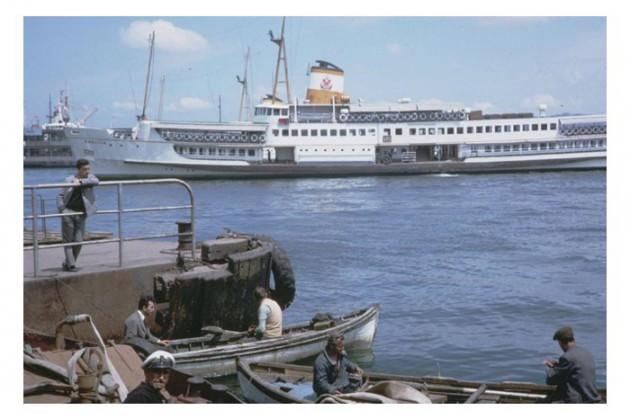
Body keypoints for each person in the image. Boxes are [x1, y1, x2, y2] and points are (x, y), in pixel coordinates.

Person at [56, 159, 99, 271]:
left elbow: (96, 181)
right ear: (78, 169)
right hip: (68, 211)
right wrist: (61, 209)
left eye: (88, 169)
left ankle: (67, 263)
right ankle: (71, 265)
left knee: (79, 241)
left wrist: (80, 182)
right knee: (68, 240)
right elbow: (60, 195)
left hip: (81, 213)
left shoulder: (90, 178)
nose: (87, 171)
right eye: (85, 169)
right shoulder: (68, 179)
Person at [543, 326, 602, 403]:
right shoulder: (587, 353)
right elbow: (574, 370)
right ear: (573, 339)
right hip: (591, 396)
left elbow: (550, 381)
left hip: (578, 400)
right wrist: (558, 366)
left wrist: (550, 367)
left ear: (561, 343)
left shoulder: (567, 357)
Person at [313, 332, 363, 396]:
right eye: (339, 346)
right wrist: (332, 390)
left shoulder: (338, 354)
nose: (342, 348)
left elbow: (346, 362)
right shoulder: (321, 362)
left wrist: (355, 367)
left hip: (340, 384)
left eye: (342, 345)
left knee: (356, 381)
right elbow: (321, 382)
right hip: (327, 390)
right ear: (331, 346)